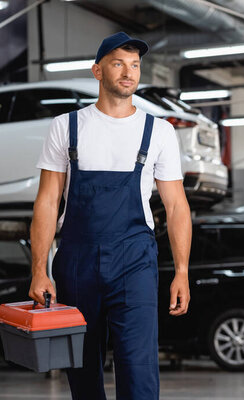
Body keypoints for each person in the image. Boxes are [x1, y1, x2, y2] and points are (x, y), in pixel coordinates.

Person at [29, 32, 191, 400]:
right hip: (77, 261)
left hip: (134, 260)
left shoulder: (159, 131)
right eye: (118, 63)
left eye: (135, 65)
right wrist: (40, 269)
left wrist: (181, 271)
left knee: (138, 370)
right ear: (97, 71)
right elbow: (47, 201)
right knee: (81, 371)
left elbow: (177, 206)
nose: (128, 72)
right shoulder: (66, 127)